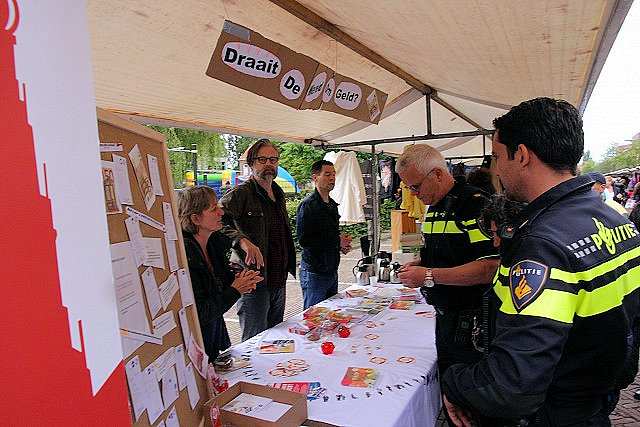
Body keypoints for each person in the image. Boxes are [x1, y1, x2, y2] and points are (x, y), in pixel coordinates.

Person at [442, 97, 640, 427]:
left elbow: (513, 384)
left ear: (521, 155)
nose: (496, 169)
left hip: (555, 410)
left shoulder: (542, 243)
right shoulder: (616, 218)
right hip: (595, 399)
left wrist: (453, 382)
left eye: (496, 156)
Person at [395, 145, 500, 392]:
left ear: (438, 174)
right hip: (446, 317)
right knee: (450, 388)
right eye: (409, 188)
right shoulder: (433, 207)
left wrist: (429, 275)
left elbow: (490, 267)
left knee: (469, 397)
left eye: (416, 186)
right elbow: (446, 255)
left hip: (472, 321)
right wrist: (420, 264)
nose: (413, 194)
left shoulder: (474, 205)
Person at [219, 138, 296, 341]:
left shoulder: (278, 193)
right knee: (254, 344)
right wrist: (241, 240)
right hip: (255, 283)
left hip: (279, 280)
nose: (269, 164)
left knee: (275, 342)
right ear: (252, 164)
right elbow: (216, 222)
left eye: (273, 159)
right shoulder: (241, 194)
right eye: (262, 159)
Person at [178, 186, 262, 359]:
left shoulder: (212, 242)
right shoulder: (186, 253)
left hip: (213, 337)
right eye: (213, 208)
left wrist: (243, 280)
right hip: (195, 346)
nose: (221, 213)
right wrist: (236, 289)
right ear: (195, 218)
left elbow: (223, 282)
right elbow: (201, 312)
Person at [296, 160, 352, 309]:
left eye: (333, 174)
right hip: (314, 272)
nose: (332, 178)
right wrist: (336, 241)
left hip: (331, 270)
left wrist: (341, 245)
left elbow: (330, 234)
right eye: (327, 174)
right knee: (313, 318)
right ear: (315, 178)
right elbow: (304, 240)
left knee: (330, 316)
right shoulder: (308, 205)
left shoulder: (332, 205)